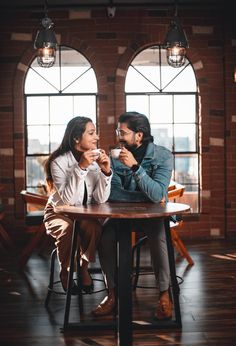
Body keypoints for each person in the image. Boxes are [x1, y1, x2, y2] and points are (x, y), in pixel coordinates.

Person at [92, 111, 173, 320]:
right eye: (117, 130)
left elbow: (157, 194)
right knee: (105, 235)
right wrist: (148, 198)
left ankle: (164, 294)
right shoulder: (115, 157)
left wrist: (136, 168)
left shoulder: (163, 156)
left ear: (139, 135)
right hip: (120, 215)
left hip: (152, 217)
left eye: (123, 132)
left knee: (159, 234)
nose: (118, 135)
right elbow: (113, 194)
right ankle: (112, 294)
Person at [43, 116, 112, 295]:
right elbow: (67, 201)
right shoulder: (58, 161)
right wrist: (81, 168)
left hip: (84, 213)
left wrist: (105, 172)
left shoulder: (96, 158)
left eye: (95, 132)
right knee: (67, 229)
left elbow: (100, 200)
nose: (96, 137)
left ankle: (83, 267)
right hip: (59, 212)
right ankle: (65, 272)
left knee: (94, 228)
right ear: (76, 138)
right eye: (91, 133)